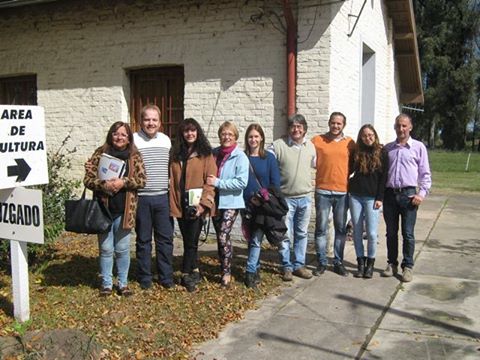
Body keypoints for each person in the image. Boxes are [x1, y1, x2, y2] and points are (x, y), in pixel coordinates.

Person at [84, 121, 146, 296]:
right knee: (105, 248)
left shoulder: (134, 156)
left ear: (129, 138)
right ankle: (106, 284)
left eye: (123, 135)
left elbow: (142, 181)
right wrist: (104, 184)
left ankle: (123, 283)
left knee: (122, 248)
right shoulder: (100, 153)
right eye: (116, 134)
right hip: (103, 210)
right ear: (111, 135)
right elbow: (87, 180)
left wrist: (123, 182)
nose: (119, 137)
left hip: (125, 211)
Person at [382, 113, 431, 282]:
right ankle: (391, 263)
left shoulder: (418, 147)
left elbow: (425, 174)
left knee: (408, 233)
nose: (401, 129)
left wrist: (421, 194)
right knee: (390, 233)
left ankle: (408, 266)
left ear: (410, 127)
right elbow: (382, 174)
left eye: (404, 126)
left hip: (409, 196)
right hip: (390, 196)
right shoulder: (388, 149)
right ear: (394, 127)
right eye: (398, 125)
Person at [169, 118, 217, 292]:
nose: (190, 134)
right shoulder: (175, 154)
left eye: (193, 130)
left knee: (191, 242)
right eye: (186, 131)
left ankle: (185, 274)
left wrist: (203, 205)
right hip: (179, 203)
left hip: (196, 204)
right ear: (182, 133)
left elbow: (210, 182)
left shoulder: (205, 154)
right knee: (188, 238)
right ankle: (195, 268)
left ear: (198, 132)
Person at [271, 114, 316, 281]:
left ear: (304, 129)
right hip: (285, 199)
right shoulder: (277, 146)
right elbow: (266, 163)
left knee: (302, 233)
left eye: (299, 126)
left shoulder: (311, 146)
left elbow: (318, 165)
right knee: (286, 234)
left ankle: (299, 265)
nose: (296, 129)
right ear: (289, 129)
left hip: (305, 197)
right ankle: (286, 266)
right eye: (293, 126)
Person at [133, 104, 174, 290]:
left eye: (154, 120)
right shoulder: (133, 140)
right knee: (143, 240)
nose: (151, 123)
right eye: (147, 119)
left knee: (165, 239)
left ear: (160, 122)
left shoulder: (166, 140)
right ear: (141, 121)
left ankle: (166, 277)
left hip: (163, 198)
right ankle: (145, 277)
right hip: (141, 198)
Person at [311, 112, 355, 277]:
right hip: (322, 190)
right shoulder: (317, 141)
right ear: (329, 123)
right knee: (321, 228)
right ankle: (322, 262)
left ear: (343, 125)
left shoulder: (350, 143)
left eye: (339, 124)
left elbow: (355, 163)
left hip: (342, 192)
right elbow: (308, 158)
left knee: (341, 229)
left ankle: (338, 262)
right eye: (333, 123)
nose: (335, 126)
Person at [206, 121, 249, 288]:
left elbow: (241, 182)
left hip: (231, 201)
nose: (227, 137)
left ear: (235, 137)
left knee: (224, 235)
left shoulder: (240, 157)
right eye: (224, 134)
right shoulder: (214, 153)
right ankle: (222, 265)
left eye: (230, 134)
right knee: (219, 237)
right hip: (215, 201)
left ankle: (227, 273)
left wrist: (218, 182)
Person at [242, 123, 281, 288]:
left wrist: (263, 198)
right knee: (250, 237)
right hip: (246, 204)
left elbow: (275, 183)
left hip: (263, 205)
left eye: (256, 136)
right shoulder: (242, 157)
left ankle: (250, 272)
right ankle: (256, 266)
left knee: (257, 238)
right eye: (250, 136)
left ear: (262, 138)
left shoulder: (269, 158)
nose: (253, 139)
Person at [348, 124, 388, 279]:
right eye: (364, 135)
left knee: (371, 233)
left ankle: (370, 263)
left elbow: (384, 177)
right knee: (357, 232)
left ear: (375, 135)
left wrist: (380, 198)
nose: (368, 138)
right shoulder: (357, 152)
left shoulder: (382, 152)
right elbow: (348, 171)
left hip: (373, 198)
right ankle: (360, 263)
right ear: (360, 137)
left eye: (370, 135)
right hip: (356, 196)